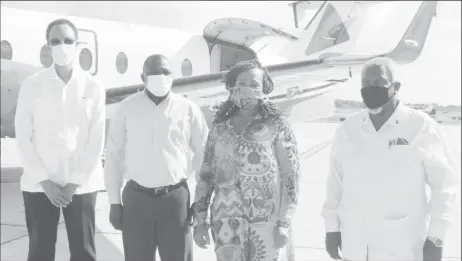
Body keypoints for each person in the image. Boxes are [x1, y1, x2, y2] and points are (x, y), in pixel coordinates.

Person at [322, 57, 459, 261]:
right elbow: (335, 182)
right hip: (356, 245)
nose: (371, 89)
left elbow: (446, 185)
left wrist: (436, 236)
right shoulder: (348, 130)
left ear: (395, 86)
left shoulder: (421, 127)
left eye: (378, 83)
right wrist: (331, 228)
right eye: (366, 84)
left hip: (402, 247)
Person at [15, 18, 106, 261]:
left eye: (67, 40)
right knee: (40, 252)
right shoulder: (32, 85)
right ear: (48, 46)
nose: (62, 46)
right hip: (39, 186)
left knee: (84, 252)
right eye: (55, 41)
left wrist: (73, 184)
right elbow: (23, 137)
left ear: (77, 44)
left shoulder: (94, 87)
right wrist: (46, 182)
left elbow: (96, 140)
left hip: (82, 186)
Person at [192, 59, 301, 261]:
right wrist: (200, 221)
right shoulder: (219, 128)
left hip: (267, 226)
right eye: (241, 84)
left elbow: (290, 176)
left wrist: (284, 222)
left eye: (254, 85)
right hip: (226, 223)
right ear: (232, 86)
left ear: (264, 89)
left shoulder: (277, 125)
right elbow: (206, 177)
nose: (247, 89)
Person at [104, 54, 209, 261]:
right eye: (154, 72)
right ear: (143, 78)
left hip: (175, 199)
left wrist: (199, 201)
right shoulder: (126, 108)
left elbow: (204, 154)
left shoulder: (188, 109)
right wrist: (114, 202)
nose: (160, 76)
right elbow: (113, 156)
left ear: (173, 77)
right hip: (136, 199)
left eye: (165, 72)